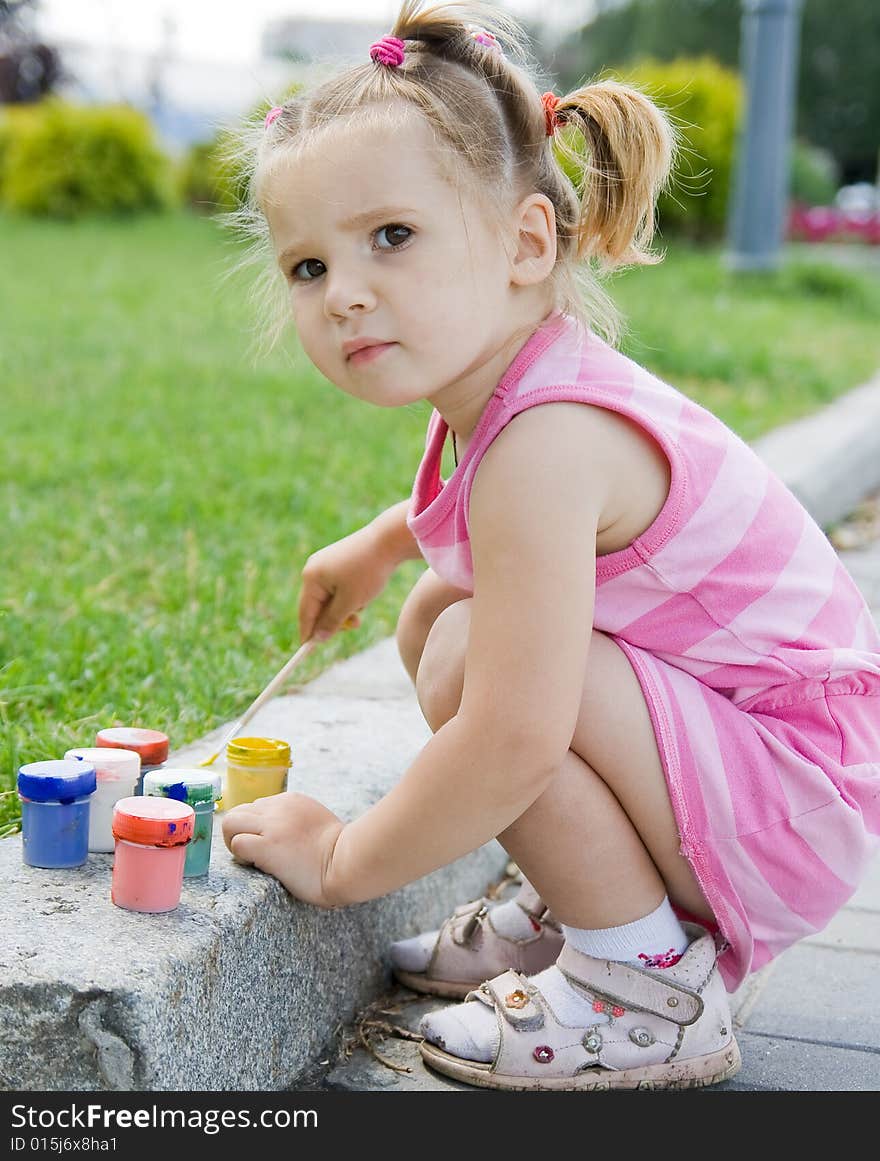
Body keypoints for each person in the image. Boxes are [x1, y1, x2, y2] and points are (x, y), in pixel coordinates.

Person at [220, 0, 880, 1091]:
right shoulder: (508, 397)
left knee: (476, 651)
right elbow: (487, 532)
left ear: (526, 243)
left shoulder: (546, 441)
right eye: (306, 266)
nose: (343, 294)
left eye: (391, 237)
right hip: (769, 776)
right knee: (443, 609)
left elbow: (514, 743)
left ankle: (643, 986)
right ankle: (599, 901)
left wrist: (343, 863)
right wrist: (385, 542)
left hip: (789, 804)